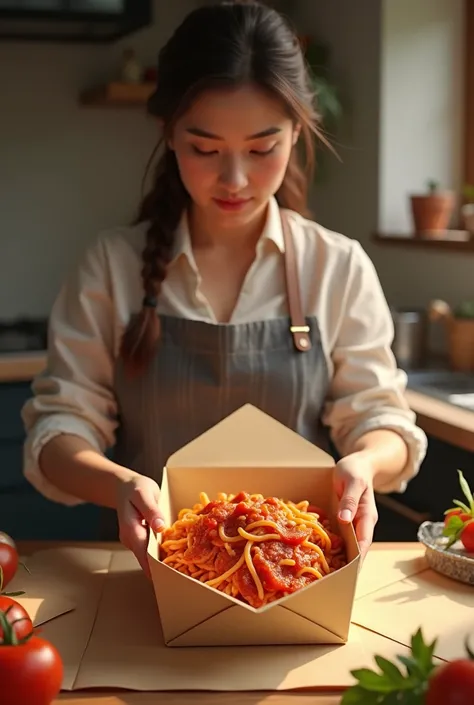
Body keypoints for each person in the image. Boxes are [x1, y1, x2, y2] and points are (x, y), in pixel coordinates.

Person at [21, 0, 427, 576]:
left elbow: (383, 420)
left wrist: (363, 463)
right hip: (146, 572)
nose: (234, 180)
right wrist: (118, 484)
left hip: (296, 575)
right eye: (204, 149)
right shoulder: (111, 265)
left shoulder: (336, 266)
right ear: (169, 135)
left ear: (297, 133)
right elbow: (58, 432)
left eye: (263, 149)